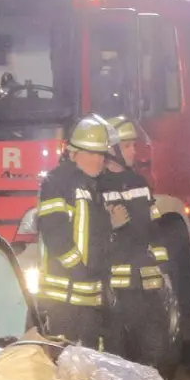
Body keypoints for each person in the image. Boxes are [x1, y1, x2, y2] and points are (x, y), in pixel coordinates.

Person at [100, 116, 174, 373]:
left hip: (148, 285)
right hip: (116, 291)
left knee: (156, 348)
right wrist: (110, 225)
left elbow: (154, 229)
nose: (134, 151)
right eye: (128, 145)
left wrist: (163, 270)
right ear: (112, 149)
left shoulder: (140, 184)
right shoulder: (96, 186)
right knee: (119, 352)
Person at [34, 114, 114, 347]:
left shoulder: (92, 185)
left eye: (102, 154)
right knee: (65, 356)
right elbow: (53, 231)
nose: (99, 160)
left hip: (88, 292)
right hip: (64, 293)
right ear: (73, 152)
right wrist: (77, 267)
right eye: (92, 154)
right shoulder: (58, 182)